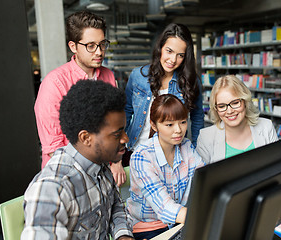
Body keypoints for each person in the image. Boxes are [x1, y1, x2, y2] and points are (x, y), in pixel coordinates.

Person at [21, 80, 134, 240]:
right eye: (117, 134)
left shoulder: (99, 161)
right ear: (86, 138)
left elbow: (115, 206)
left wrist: (123, 236)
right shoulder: (53, 188)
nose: (125, 138)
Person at [34, 10, 126, 186]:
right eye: (91, 46)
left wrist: (116, 161)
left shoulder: (108, 76)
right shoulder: (54, 83)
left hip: (103, 174)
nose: (99, 52)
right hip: (67, 179)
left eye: (102, 44)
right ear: (73, 46)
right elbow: (54, 148)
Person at [127, 94, 205, 240]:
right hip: (148, 227)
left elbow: (204, 180)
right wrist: (203, 217)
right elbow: (164, 207)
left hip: (178, 222)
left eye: (182, 122)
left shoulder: (186, 146)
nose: (178, 130)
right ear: (153, 125)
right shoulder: (142, 156)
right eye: (169, 125)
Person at [124, 23, 204, 164]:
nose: (173, 60)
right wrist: (117, 152)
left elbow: (197, 119)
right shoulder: (138, 76)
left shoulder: (191, 81)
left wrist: (196, 151)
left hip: (173, 154)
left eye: (180, 55)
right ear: (160, 48)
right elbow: (125, 113)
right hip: (136, 149)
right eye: (169, 51)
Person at [196, 75, 278, 164]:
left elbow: (279, 167)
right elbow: (202, 176)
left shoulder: (266, 127)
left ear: (245, 101)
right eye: (222, 106)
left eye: (235, 103)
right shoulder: (206, 137)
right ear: (216, 109)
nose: (230, 111)